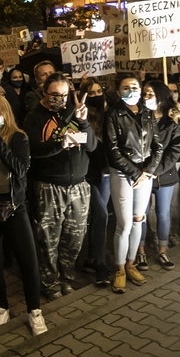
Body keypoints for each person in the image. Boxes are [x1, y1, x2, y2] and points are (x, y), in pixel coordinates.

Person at [0, 94, 47, 336]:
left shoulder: (18, 137)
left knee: (29, 262)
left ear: (6, 114)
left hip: (15, 206)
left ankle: (34, 310)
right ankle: (1, 307)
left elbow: (20, 168)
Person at [23, 72, 95, 300]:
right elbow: (35, 151)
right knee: (48, 239)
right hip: (49, 186)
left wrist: (83, 122)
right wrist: (59, 143)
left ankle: (66, 277)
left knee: (74, 237)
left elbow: (92, 146)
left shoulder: (75, 111)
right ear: (44, 93)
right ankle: (50, 281)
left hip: (78, 186)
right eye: (54, 95)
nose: (60, 99)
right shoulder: (34, 118)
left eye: (64, 95)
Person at [104, 75, 163, 294]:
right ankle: (119, 269)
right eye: (126, 87)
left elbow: (158, 146)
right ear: (118, 91)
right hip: (122, 173)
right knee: (124, 224)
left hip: (145, 174)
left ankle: (131, 264)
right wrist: (135, 172)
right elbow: (112, 150)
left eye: (135, 87)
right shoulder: (113, 114)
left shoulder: (148, 113)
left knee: (139, 219)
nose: (132, 91)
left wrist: (148, 171)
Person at [138, 81, 180, 270]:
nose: (146, 97)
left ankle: (162, 250)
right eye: (145, 93)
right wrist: (143, 172)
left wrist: (154, 171)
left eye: (151, 94)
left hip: (163, 175)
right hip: (140, 175)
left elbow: (176, 149)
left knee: (163, 214)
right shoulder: (138, 116)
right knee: (140, 214)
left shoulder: (173, 119)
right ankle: (140, 252)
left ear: (161, 96)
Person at [80, 79, 112, 285]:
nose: (96, 95)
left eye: (99, 91)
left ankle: (92, 257)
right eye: (91, 93)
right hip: (88, 175)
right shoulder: (81, 118)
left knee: (100, 217)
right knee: (100, 214)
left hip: (107, 174)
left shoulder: (108, 116)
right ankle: (98, 262)